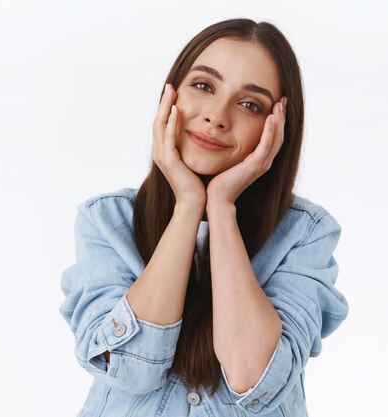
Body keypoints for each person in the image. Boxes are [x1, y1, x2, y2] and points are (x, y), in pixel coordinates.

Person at [58, 18, 349, 417]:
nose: (217, 116)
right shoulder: (107, 221)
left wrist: (222, 207)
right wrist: (188, 205)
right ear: (170, 97)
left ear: (276, 128)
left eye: (250, 105)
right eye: (204, 86)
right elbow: (130, 369)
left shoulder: (305, 234)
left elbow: (255, 378)